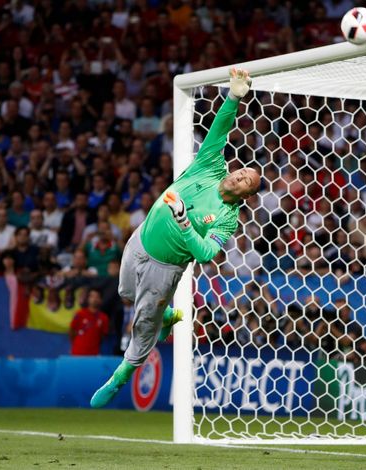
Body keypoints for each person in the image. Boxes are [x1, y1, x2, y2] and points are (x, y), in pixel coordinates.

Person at [90, 69, 260, 408]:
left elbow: (206, 254)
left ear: (245, 196)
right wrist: (233, 97)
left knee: (141, 328)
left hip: (165, 268)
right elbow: (219, 131)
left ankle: (122, 374)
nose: (240, 175)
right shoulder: (210, 167)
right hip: (139, 242)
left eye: (247, 182)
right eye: (242, 171)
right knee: (124, 291)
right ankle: (166, 315)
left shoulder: (227, 218)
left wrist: (184, 223)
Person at [70, 288, 109, 356]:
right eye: (92, 296)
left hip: (94, 355)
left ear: (101, 300)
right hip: (77, 353)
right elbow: (71, 332)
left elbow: (103, 336)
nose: (94, 299)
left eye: (97, 297)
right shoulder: (80, 314)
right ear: (88, 299)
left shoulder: (104, 318)